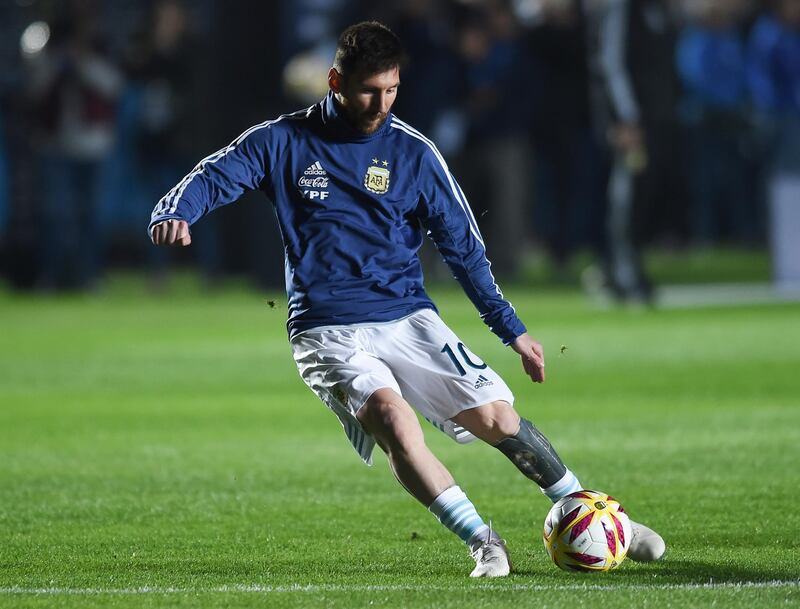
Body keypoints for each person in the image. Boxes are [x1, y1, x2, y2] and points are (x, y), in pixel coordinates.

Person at [149, 21, 665, 577]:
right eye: (370, 90)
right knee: (395, 421)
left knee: (496, 415)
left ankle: (597, 516)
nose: (382, 102)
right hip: (327, 331)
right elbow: (215, 173)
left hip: (407, 317)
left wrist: (510, 329)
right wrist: (175, 211)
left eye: (392, 89)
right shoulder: (282, 141)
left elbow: (464, 247)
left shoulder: (412, 153)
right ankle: (483, 541)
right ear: (334, 81)